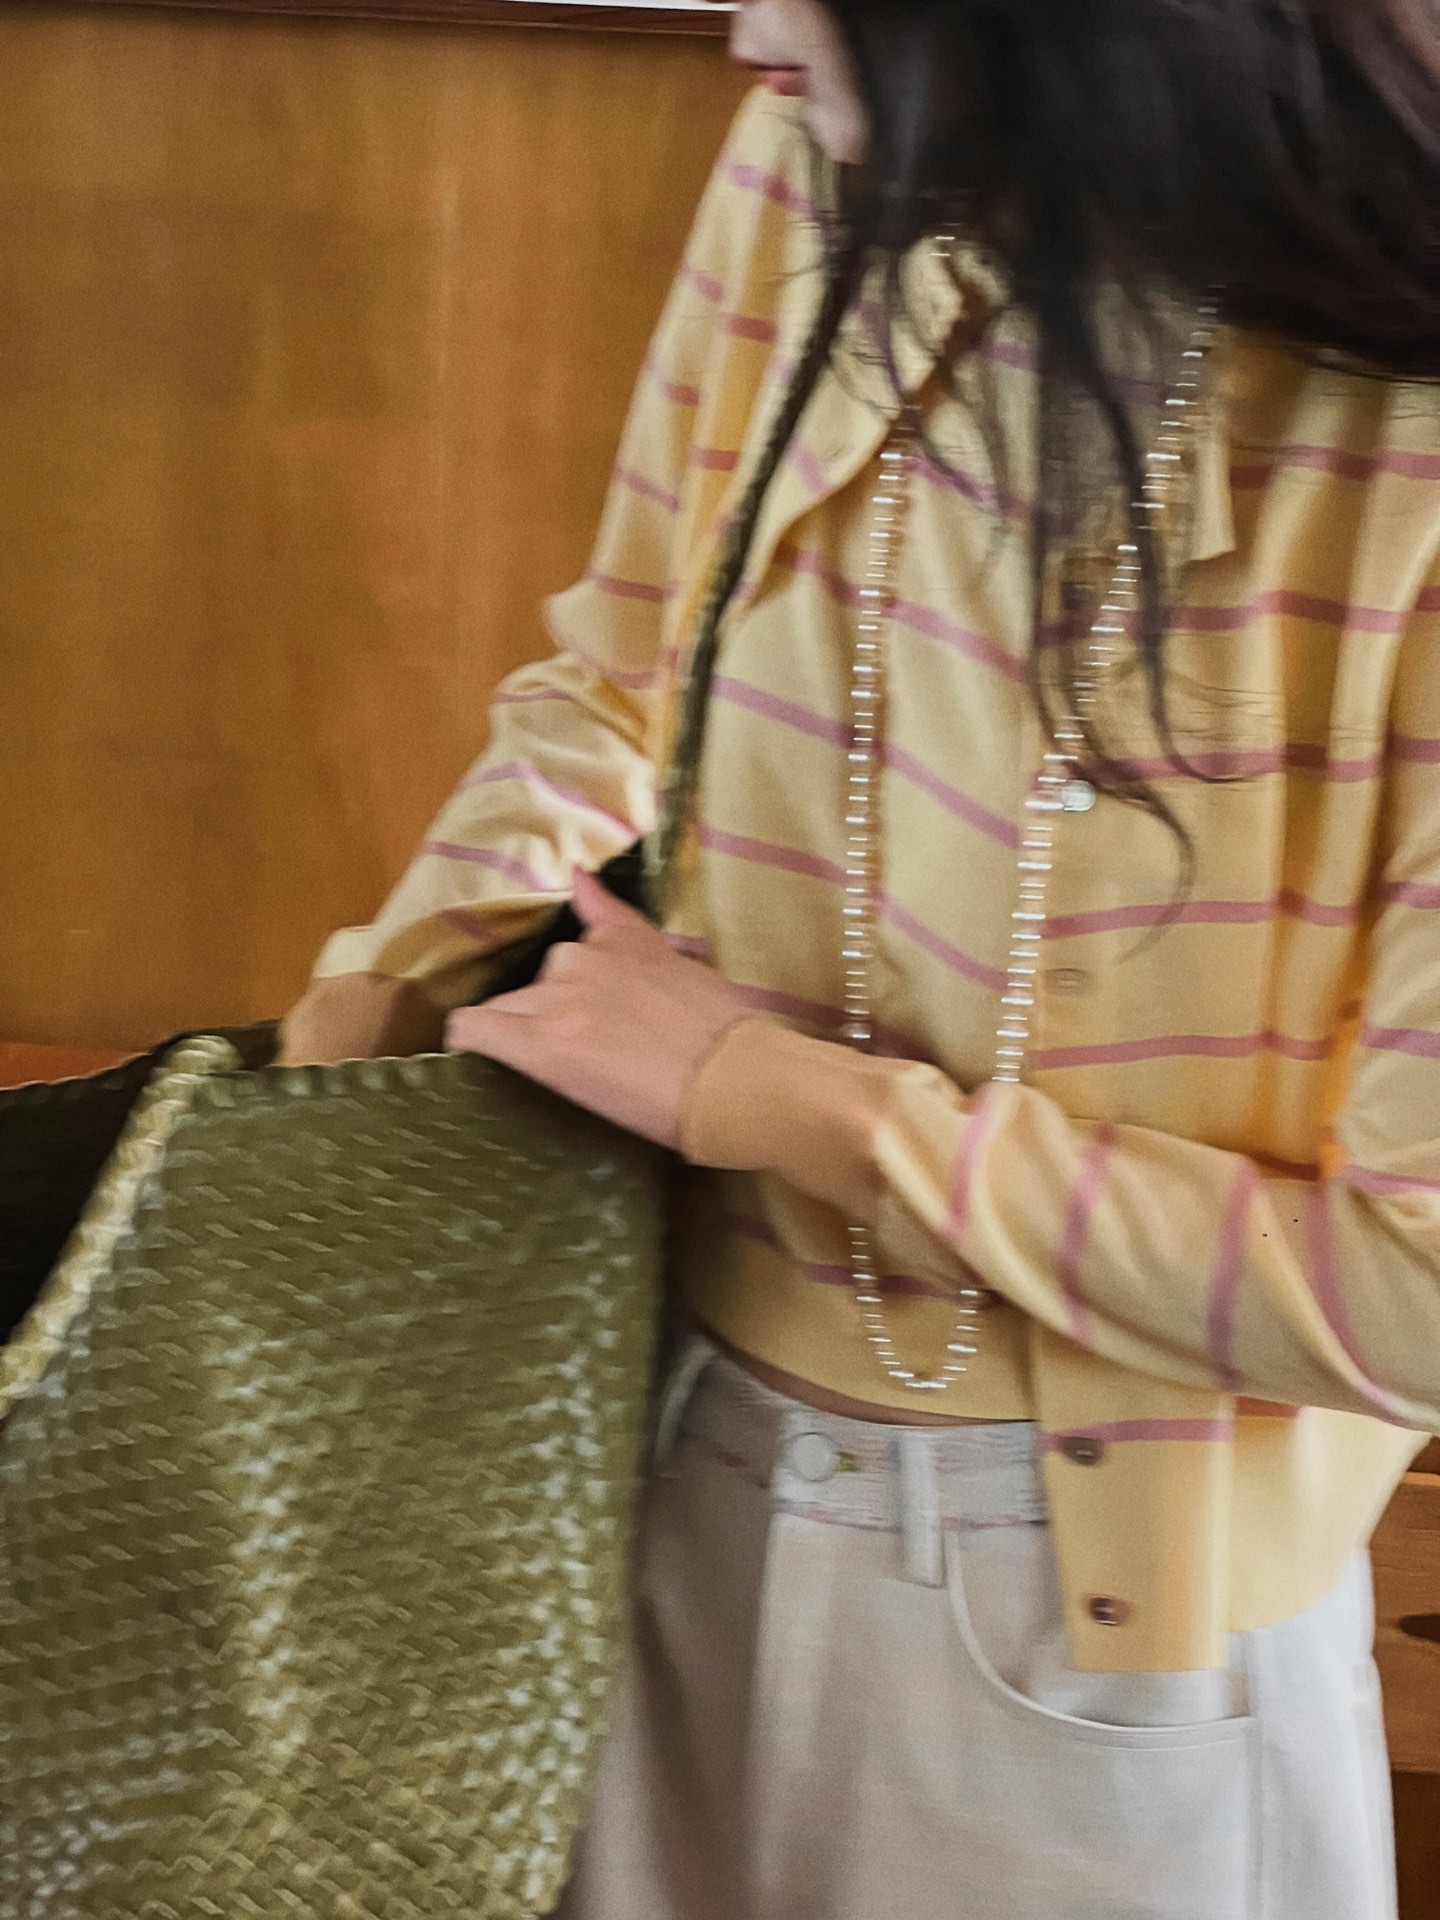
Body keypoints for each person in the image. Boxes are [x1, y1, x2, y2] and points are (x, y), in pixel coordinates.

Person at [280, 2, 1440, 1913]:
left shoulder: (1394, 460)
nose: (742, 27)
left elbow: (1415, 1294)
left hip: (1088, 1629)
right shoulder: (831, 153)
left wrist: (779, 1100)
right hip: (623, 1469)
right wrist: (359, 1038)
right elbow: (619, 672)